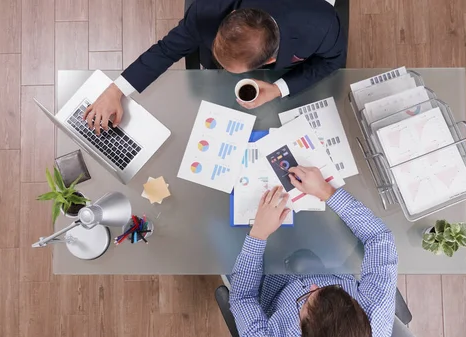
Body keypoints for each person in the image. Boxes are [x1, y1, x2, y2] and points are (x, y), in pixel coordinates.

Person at [84, 0, 347, 134]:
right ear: (232, 18)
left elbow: (333, 60)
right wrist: (114, 90)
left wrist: (279, 89)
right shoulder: (208, 11)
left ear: (268, 62)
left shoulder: (319, 26)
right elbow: (166, 49)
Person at [229, 166, 398, 337]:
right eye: (336, 290)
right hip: (330, 256)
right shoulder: (375, 314)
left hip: (273, 279)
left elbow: (243, 298)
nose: (313, 285)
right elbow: (379, 238)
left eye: (305, 301)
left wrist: (258, 234)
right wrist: (326, 191)